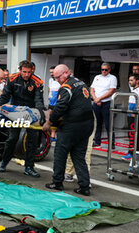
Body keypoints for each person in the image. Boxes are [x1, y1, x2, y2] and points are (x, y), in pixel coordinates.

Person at [43, 64, 94, 196]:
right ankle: (84, 186)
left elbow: (60, 107)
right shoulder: (81, 83)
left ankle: (57, 182)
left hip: (72, 125)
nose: (57, 80)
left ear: (66, 73)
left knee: (60, 154)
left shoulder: (67, 87)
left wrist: (49, 122)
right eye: (55, 78)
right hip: (87, 125)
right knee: (78, 156)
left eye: (58, 77)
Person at [0, 60, 44, 178]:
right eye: (24, 72)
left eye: (29, 72)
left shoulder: (37, 82)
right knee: (12, 138)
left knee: (32, 141)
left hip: (31, 113)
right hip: (16, 112)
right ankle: (4, 162)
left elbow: (39, 100)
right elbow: (5, 95)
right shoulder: (12, 79)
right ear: (20, 70)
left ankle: (29, 167)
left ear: (32, 70)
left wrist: (40, 114)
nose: (27, 74)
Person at [90, 62, 117, 148]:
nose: (104, 71)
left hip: (106, 103)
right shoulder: (97, 77)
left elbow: (111, 91)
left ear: (109, 70)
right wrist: (95, 99)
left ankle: (111, 143)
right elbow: (92, 89)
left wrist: (99, 99)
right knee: (97, 123)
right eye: (102, 69)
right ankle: (97, 141)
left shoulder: (112, 78)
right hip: (96, 102)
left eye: (106, 70)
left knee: (108, 124)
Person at [122, 73, 139, 161]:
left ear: (137, 81)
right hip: (130, 112)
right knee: (131, 133)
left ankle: (133, 153)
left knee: (133, 134)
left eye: (131, 80)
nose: (130, 82)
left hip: (135, 114)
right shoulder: (133, 89)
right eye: (129, 80)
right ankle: (134, 152)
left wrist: (135, 112)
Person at [48, 66, 59, 141]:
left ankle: (53, 135)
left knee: (56, 119)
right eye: (50, 72)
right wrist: (49, 96)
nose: (51, 74)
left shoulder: (60, 80)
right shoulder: (50, 80)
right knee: (49, 118)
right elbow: (49, 88)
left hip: (57, 103)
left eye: (53, 72)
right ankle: (50, 134)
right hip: (50, 103)